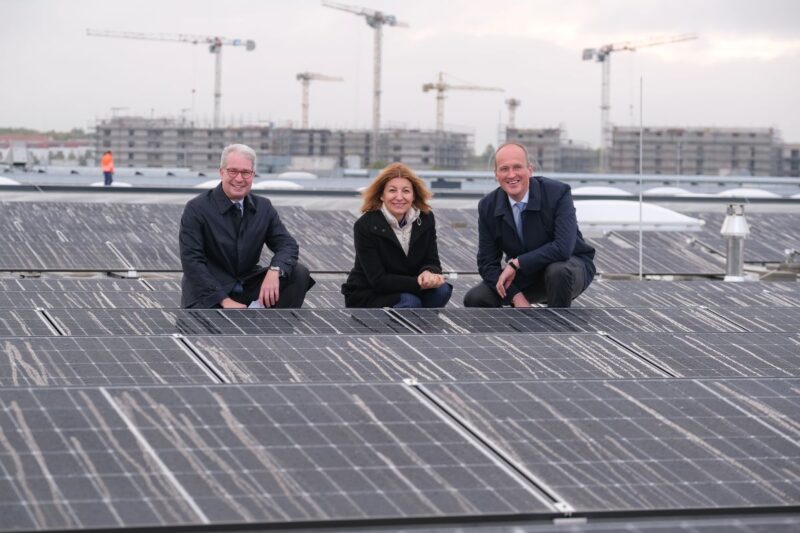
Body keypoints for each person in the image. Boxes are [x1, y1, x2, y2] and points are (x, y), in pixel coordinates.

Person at [179, 143, 314, 309]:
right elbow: (192, 262)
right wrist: (224, 301)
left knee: (298, 273)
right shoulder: (197, 208)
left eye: (245, 172)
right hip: (210, 292)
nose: (239, 178)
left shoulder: (263, 207)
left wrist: (275, 270)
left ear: (253, 174)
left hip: (245, 285)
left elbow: (287, 244)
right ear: (221, 172)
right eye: (233, 171)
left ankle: (275, 330)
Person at [463, 142, 595, 308]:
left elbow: (563, 248)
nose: (511, 175)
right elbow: (487, 263)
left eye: (517, 167)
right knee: (476, 298)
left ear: (529, 170)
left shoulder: (558, 193)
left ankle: (560, 329)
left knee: (557, 272)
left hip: (570, 268)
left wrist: (516, 263)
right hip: (527, 274)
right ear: (496, 174)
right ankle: (513, 332)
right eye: (504, 169)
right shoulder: (488, 206)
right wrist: (515, 296)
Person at [342, 162, 452, 308]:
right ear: (382, 195)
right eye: (392, 190)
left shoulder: (426, 219)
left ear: (414, 195)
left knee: (441, 290)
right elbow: (378, 280)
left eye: (406, 191)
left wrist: (428, 273)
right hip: (371, 292)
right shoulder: (365, 225)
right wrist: (419, 282)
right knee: (410, 302)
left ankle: (423, 326)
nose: (399, 197)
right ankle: (404, 328)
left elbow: (432, 260)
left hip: (411, 288)